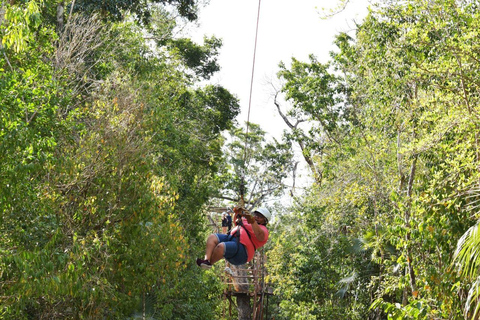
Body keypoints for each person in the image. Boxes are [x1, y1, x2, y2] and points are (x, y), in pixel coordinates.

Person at [196, 207, 271, 269]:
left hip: (242, 251)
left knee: (221, 247)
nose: (257, 217)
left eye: (260, 217)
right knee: (212, 237)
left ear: (265, 221)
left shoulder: (263, 230)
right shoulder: (247, 220)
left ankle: (209, 264)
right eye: (256, 215)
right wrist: (238, 212)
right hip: (232, 238)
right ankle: (206, 260)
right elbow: (236, 221)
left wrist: (252, 221)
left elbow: (259, 234)